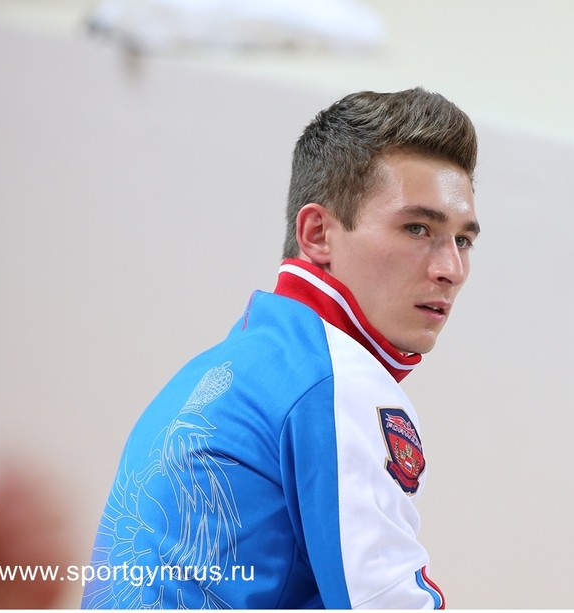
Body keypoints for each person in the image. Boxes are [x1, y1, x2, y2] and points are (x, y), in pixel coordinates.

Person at [81, 87, 479, 609]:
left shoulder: (223, 368)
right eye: (417, 228)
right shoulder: (334, 381)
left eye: (463, 240)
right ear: (317, 234)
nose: (451, 269)